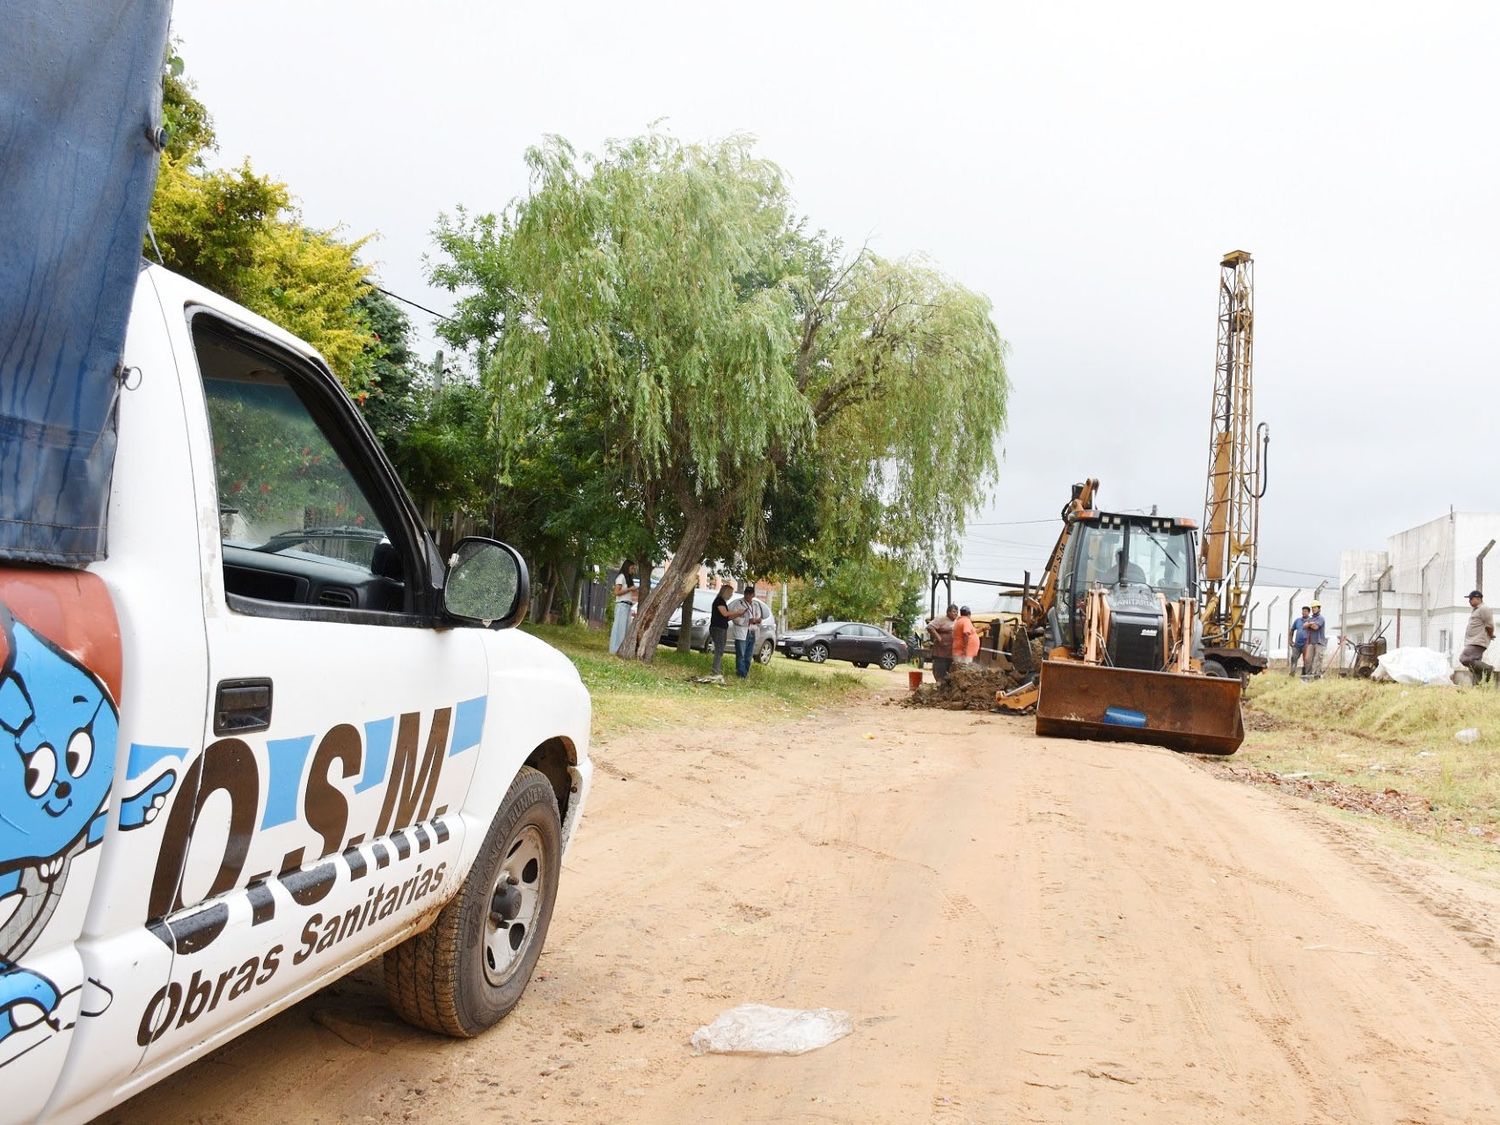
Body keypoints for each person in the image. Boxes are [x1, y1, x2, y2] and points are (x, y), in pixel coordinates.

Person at [729, 583, 765, 679]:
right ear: (744, 594)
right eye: (747, 594)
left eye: (750, 594)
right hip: (742, 631)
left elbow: (758, 617)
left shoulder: (756, 604)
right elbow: (735, 618)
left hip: (752, 631)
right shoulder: (738, 603)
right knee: (741, 654)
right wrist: (747, 621)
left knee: (749, 655)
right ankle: (741, 674)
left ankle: (745, 673)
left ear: (753, 595)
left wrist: (757, 620)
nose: (748, 596)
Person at [1461, 589, 1495, 685]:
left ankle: (1488, 669)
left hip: (1478, 641)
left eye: (1471, 599)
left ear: (1478, 598)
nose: (1470, 601)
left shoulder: (1484, 609)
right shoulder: (1476, 610)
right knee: (1474, 666)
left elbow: (1489, 625)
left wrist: (1491, 635)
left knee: (1464, 658)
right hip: (1473, 640)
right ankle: (1479, 686)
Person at [707, 581, 739, 678]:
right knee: (719, 649)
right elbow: (725, 613)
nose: (731, 595)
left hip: (722, 627)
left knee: (720, 650)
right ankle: (715, 670)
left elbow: (726, 617)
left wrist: (737, 615)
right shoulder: (719, 601)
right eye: (730, 593)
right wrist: (736, 611)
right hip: (717, 628)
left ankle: (717, 668)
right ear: (725, 592)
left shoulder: (723, 602)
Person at [608, 561, 637, 655]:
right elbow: (616, 592)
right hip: (622, 605)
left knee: (625, 629)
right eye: (632, 568)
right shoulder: (621, 577)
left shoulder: (628, 579)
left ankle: (622, 650)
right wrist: (629, 589)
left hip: (628, 605)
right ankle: (614, 650)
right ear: (627, 567)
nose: (633, 570)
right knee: (619, 628)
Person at [926, 604, 959, 682]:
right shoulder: (941, 619)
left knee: (950, 675)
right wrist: (940, 639)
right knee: (940, 673)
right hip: (941, 653)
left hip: (951, 653)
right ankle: (940, 687)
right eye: (954, 612)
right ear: (948, 612)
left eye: (957, 612)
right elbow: (930, 627)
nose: (956, 614)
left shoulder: (957, 622)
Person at [1303, 601, 1327, 677]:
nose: (1313, 609)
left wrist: (1309, 624)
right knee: (1307, 659)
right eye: (1312, 608)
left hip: (1319, 642)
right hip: (1311, 642)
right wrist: (1310, 624)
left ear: (1319, 609)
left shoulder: (1321, 618)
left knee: (1318, 659)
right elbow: (1304, 626)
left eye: (1315, 607)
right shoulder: (1311, 618)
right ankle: (1308, 674)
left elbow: (1315, 627)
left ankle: (1317, 675)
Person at [1289, 605, 1310, 676]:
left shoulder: (1311, 621)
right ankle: (1292, 672)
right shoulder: (1298, 620)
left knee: (1306, 659)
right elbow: (1292, 630)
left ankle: (1304, 674)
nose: (1303, 613)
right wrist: (1290, 640)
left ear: (1308, 612)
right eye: (1303, 611)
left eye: (1305, 611)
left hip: (1306, 644)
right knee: (1293, 658)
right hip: (1297, 644)